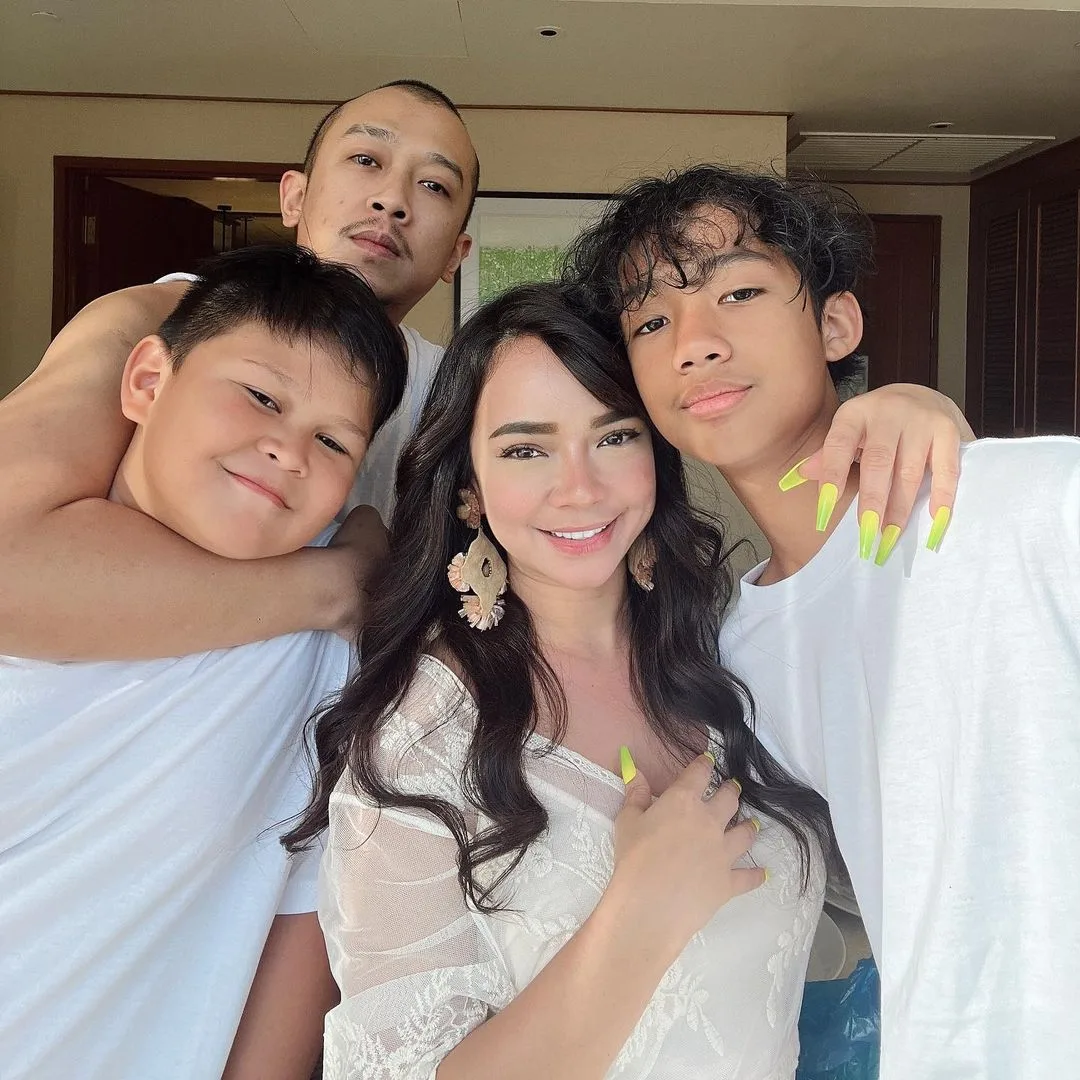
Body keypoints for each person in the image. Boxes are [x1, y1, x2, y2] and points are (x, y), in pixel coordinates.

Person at [564, 163, 1080, 1080]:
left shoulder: (1026, 502)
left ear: (836, 325)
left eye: (738, 292)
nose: (695, 343)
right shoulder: (738, 659)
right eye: (651, 322)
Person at [284, 282, 837, 1079]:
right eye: (525, 450)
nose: (580, 487)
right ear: (470, 488)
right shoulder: (421, 739)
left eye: (614, 436)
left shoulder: (729, 660)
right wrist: (639, 918)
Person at [0, 243, 407, 1080]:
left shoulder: (322, 653)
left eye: (333, 441)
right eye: (261, 397)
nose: (289, 451)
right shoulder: (26, 558)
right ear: (148, 381)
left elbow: (298, 924)